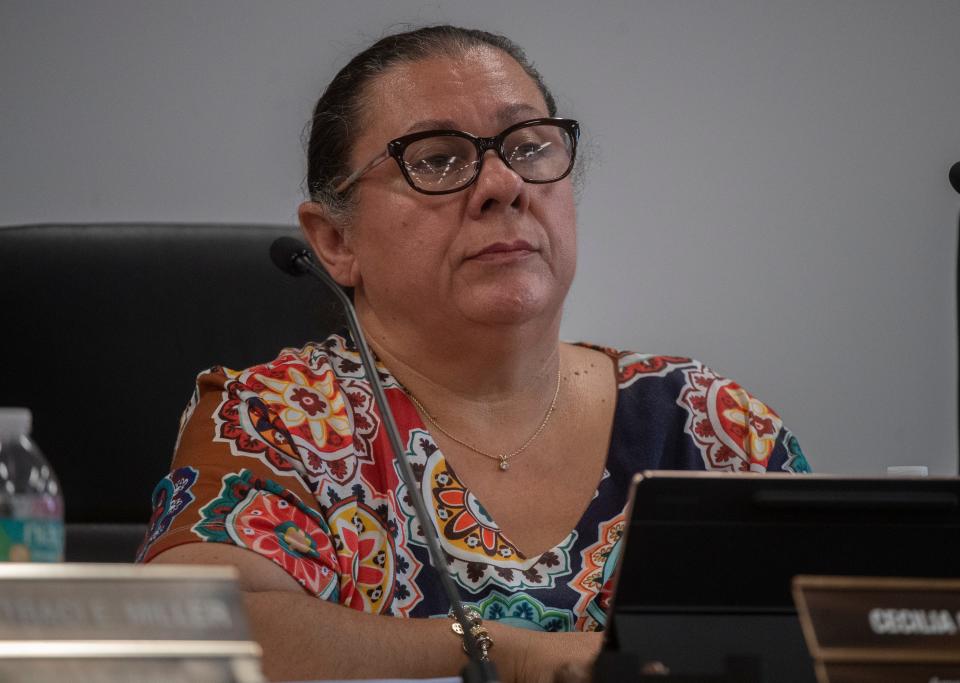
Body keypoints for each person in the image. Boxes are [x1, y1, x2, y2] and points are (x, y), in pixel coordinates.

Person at [139, 25, 810, 683]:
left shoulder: (709, 425)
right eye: (436, 159)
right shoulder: (277, 421)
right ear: (335, 241)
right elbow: (185, 636)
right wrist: (497, 652)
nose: (502, 184)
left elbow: (857, 632)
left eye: (528, 147)